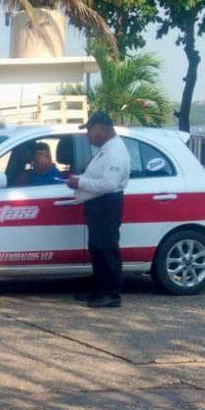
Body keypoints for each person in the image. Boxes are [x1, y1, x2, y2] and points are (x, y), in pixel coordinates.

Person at [67, 111, 130, 308]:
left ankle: (112, 294)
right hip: (98, 205)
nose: (87, 135)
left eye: (89, 130)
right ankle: (100, 290)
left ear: (101, 128)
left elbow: (109, 184)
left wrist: (80, 183)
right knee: (97, 248)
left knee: (107, 248)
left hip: (107, 204)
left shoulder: (115, 152)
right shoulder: (106, 149)